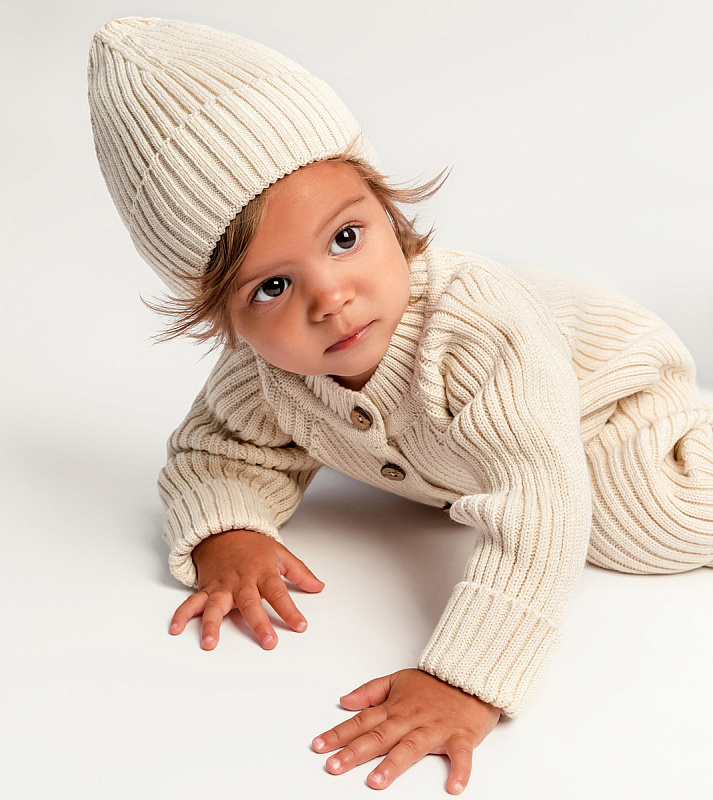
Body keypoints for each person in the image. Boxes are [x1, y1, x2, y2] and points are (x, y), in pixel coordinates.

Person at [87, 16, 713, 795]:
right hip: (506, 444)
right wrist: (227, 528)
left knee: (645, 520)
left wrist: (466, 680)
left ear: (386, 208)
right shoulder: (267, 373)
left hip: (608, 402)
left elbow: (538, 501)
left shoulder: (473, 332)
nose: (330, 298)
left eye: (345, 237)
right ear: (225, 318)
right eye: (272, 286)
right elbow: (215, 449)